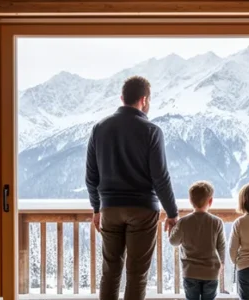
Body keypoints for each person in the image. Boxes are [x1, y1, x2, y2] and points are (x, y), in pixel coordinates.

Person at [86, 75, 179, 300]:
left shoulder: (99, 128)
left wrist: (97, 208)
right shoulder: (152, 131)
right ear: (144, 100)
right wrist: (172, 213)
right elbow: (160, 177)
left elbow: (91, 177)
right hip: (143, 209)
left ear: (122, 98)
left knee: (110, 271)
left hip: (109, 209)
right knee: (137, 274)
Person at [169, 181, 226, 300]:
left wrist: (172, 228)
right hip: (211, 272)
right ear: (210, 201)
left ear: (190, 201)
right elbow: (221, 245)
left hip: (190, 272)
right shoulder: (217, 222)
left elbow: (174, 241)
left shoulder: (184, 222)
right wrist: (222, 263)